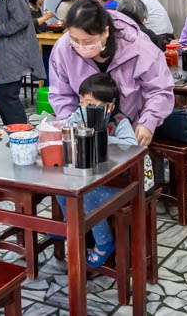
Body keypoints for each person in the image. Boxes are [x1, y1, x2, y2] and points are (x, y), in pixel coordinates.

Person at [48, 0, 174, 146]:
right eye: (75, 40)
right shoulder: (63, 48)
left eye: (88, 41)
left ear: (105, 31)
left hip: (132, 128)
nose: (81, 46)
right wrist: (72, 127)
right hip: (84, 135)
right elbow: (61, 94)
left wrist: (149, 121)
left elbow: (160, 90)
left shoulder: (137, 45)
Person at [56, 73, 145, 269]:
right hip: (88, 176)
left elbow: (131, 145)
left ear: (110, 107)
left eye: (93, 104)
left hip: (118, 184)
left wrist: (102, 138)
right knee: (60, 188)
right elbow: (66, 128)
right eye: (83, 102)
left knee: (90, 196)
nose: (87, 108)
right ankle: (70, 224)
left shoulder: (119, 122)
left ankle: (104, 242)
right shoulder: (79, 116)